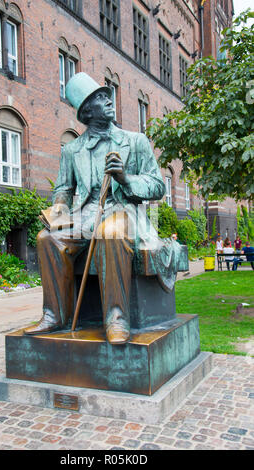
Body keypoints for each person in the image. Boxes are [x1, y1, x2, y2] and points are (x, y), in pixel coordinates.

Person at [24, 73, 185, 344]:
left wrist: (125, 178)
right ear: (87, 111)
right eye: (100, 98)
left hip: (124, 212)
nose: (109, 100)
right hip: (84, 215)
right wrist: (59, 213)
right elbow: (63, 188)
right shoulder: (72, 149)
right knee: (47, 238)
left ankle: (116, 318)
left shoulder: (135, 141)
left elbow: (158, 186)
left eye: (107, 96)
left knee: (110, 232)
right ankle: (55, 316)